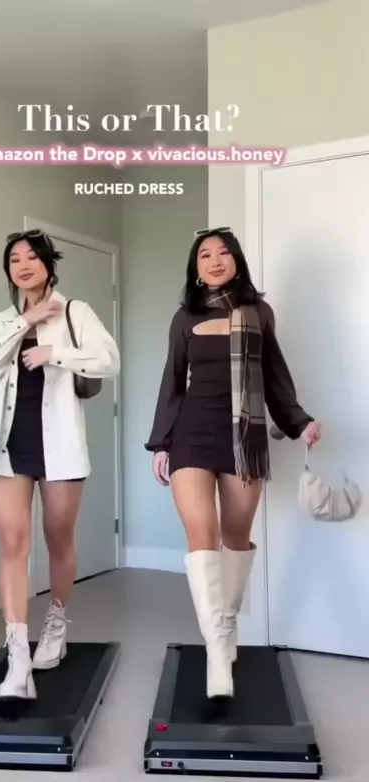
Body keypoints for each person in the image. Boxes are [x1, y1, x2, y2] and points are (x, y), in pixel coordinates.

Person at [145, 227, 322, 700]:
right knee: (200, 531)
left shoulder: (258, 313)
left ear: (237, 261)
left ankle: (225, 621)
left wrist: (300, 423)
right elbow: (172, 382)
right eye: (205, 254)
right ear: (196, 268)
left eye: (224, 253)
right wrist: (161, 443)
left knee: (235, 536)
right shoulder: (184, 318)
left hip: (245, 436)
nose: (215, 260)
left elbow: (275, 377)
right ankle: (218, 649)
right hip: (191, 433)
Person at [0, 229, 120, 700]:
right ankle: (18, 658)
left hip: (61, 447)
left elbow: (109, 360)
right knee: (13, 543)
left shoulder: (76, 311)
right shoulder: (3, 320)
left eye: (32, 257)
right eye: (14, 259)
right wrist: (25, 321)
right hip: (8, 446)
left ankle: (56, 623)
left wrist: (57, 352)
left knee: (58, 539)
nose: (23, 265)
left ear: (49, 265)